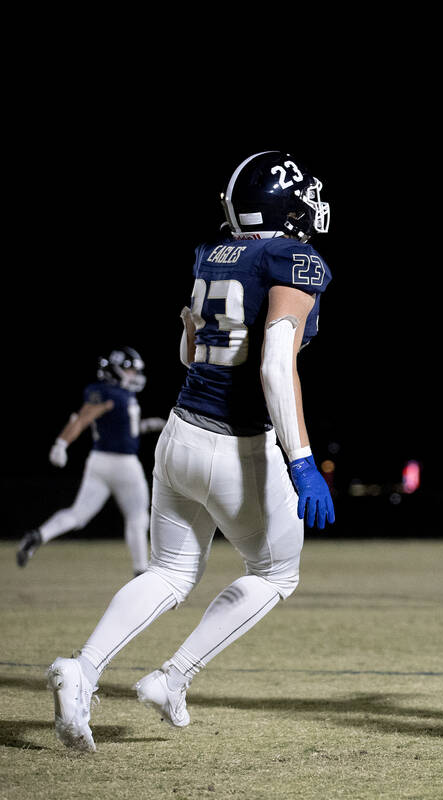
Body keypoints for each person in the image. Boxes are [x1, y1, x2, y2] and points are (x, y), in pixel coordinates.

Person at [45, 151, 335, 752]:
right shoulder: (294, 258)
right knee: (278, 572)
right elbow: (276, 369)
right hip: (237, 443)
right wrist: (303, 461)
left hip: (179, 433)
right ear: (286, 204)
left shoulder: (213, 254)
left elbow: (187, 353)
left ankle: (84, 669)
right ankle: (173, 676)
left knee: (170, 572)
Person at [17, 347, 165, 574]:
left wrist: (148, 425)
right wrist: (61, 442)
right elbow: (83, 419)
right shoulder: (111, 394)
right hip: (124, 465)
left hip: (98, 462)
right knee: (137, 517)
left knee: (78, 514)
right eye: (131, 370)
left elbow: (121, 430)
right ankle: (140, 570)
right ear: (117, 370)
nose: (135, 375)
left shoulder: (117, 393)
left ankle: (39, 535)